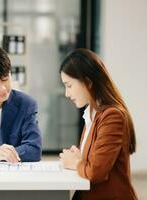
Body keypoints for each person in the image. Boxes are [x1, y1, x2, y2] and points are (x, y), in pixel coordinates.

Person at [58, 48, 138, 199]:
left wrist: (75, 163)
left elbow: (95, 172)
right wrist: (81, 158)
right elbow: (95, 163)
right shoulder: (92, 113)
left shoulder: (112, 117)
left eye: (69, 86)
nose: (66, 94)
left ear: (88, 82)